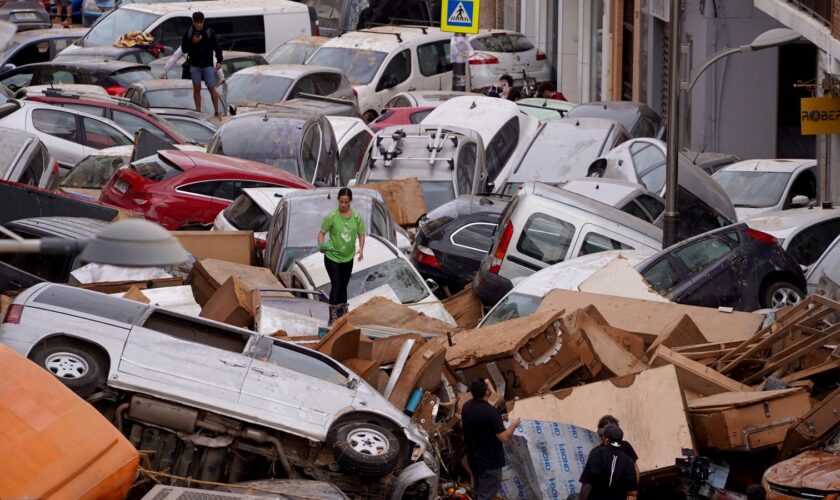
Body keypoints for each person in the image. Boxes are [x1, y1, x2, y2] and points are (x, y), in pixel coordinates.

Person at [461, 378, 521, 500]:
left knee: (479, 492)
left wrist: (498, 419)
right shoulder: (490, 412)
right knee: (486, 495)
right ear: (487, 393)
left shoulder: (466, 406)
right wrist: (514, 424)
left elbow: (478, 422)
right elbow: (503, 437)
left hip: (474, 459)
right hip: (489, 463)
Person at [317, 188, 365, 324]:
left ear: (350, 202)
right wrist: (321, 245)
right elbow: (321, 233)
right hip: (332, 257)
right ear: (338, 200)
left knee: (344, 286)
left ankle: (343, 313)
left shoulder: (356, 217)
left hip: (348, 257)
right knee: (336, 285)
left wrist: (361, 249)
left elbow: (361, 234)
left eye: (346, 202)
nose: (343, 205)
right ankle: (332, 315)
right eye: (341, 202)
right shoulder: (331, 217)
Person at [181, 11, 223, 118]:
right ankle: (198, 112)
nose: (199, 25)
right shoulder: (189, 32)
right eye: (197, 22)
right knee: (196, 87)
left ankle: (217, 112)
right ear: (193, 22)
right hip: (195, 64)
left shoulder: (209, 31)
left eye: (201, 22)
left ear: (203, 21)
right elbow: (184, 49)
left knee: (211, 87)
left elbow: (217, 46)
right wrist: (193, 42)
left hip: (208, 63)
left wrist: (219, 60)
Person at [579, 424, 638, 500]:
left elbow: (587, 486)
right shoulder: (628, 461)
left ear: (606, 440)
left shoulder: (596, 455)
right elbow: (632, 494)